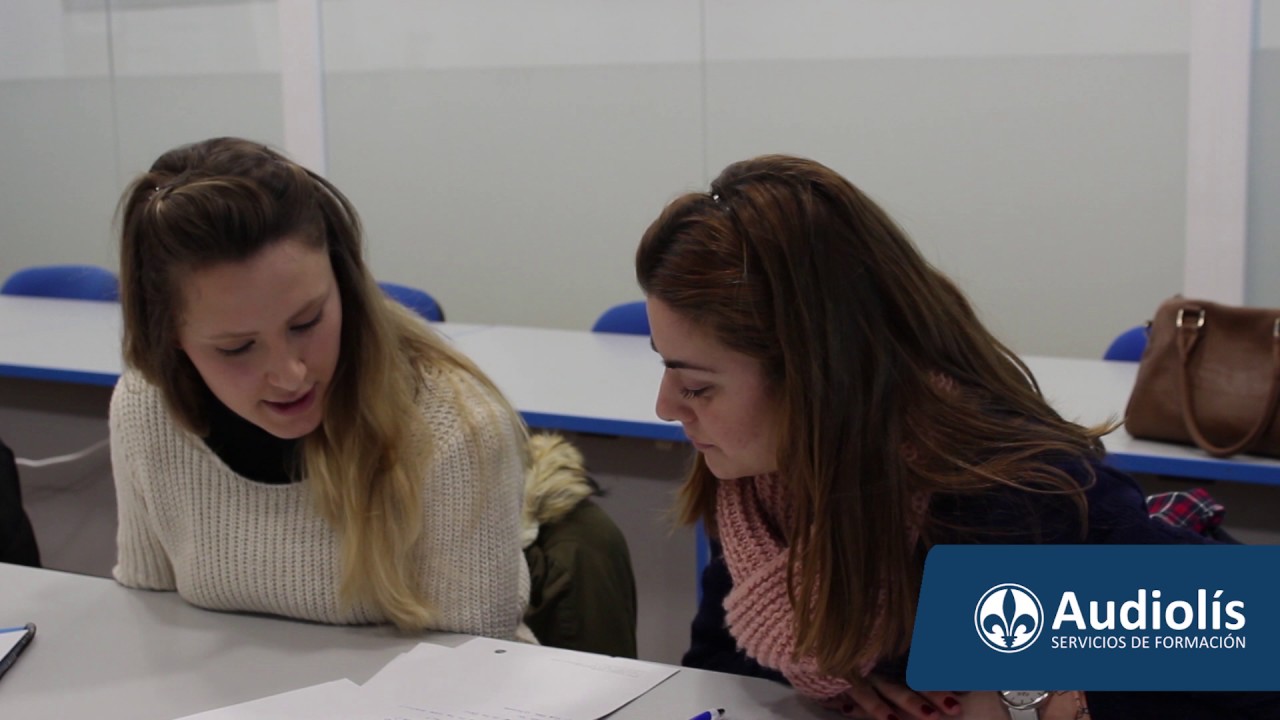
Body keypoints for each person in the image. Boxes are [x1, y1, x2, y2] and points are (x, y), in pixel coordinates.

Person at [635, 154, 1280, 720]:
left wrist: (1045, 699)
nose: (666, 408)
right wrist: (831, 687)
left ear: (813, 378)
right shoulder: (764, 496)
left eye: (696, 386)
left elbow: (1252, 640)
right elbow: (718, 672)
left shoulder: (1010, 499)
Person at [111, 137, 634, 652]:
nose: (289, 374)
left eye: (308, 321)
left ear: (345, 283)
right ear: (169, 341)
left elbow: (476, 674)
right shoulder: (145, 407)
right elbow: (154, 625)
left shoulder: (455, 428)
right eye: (237, 348)